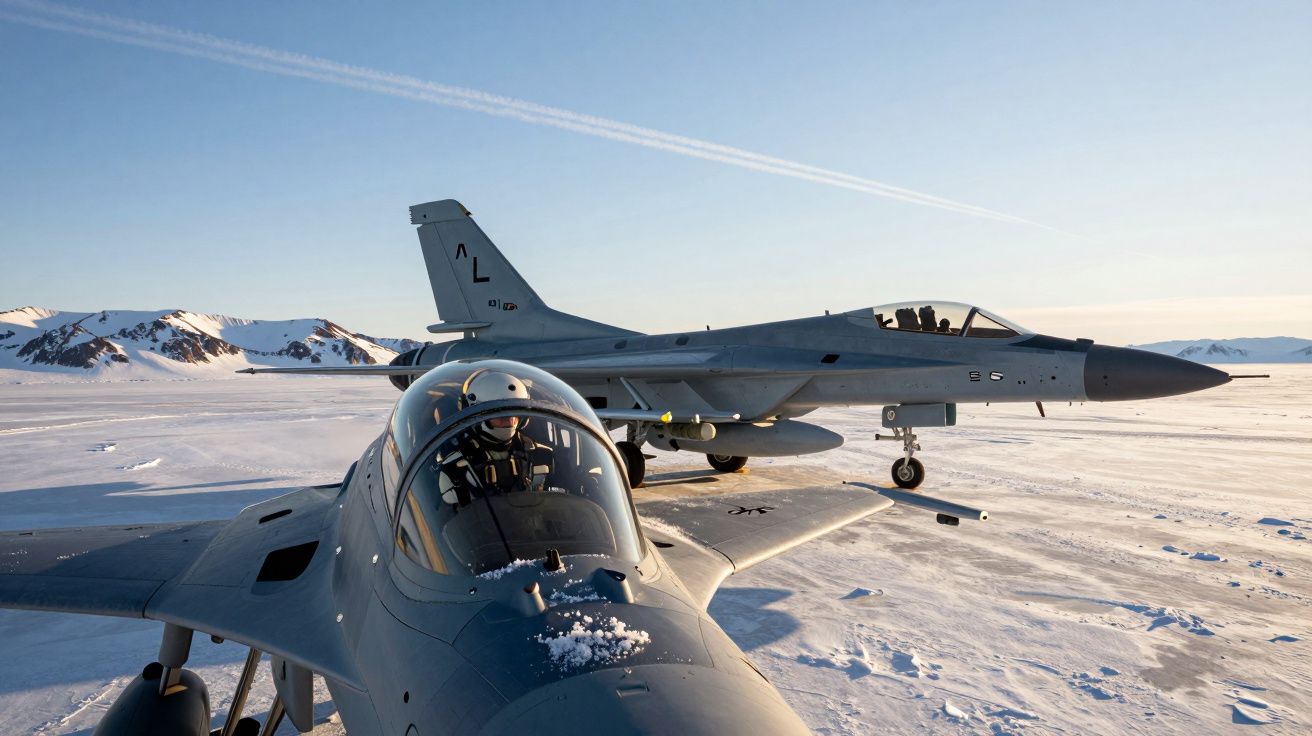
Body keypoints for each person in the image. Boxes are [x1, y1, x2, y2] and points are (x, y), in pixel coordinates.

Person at [436, 371, 554, 507]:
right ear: (477, 416)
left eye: (514, 413)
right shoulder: (454, 467)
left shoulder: (541, 456)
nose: (510, 421)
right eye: (501, 414)